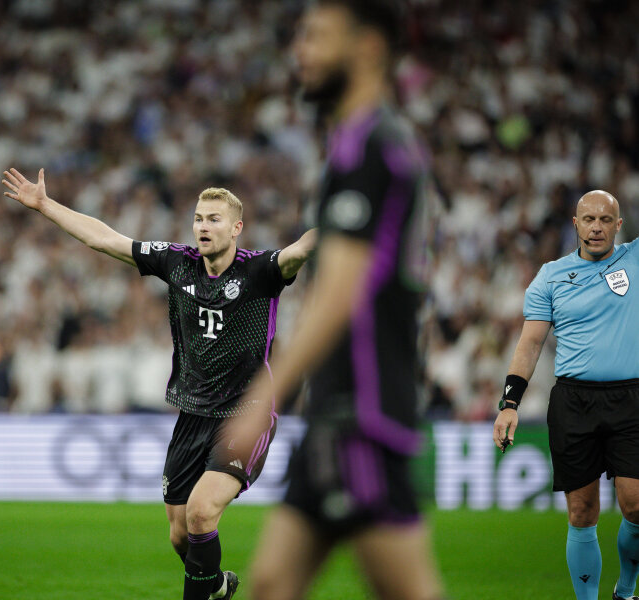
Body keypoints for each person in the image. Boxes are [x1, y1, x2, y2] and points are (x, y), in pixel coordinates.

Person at [2, 169, 316, 599]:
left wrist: (348, 218)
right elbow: (105, 239)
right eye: (199, 218)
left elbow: (300, 249)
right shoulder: (177, 261)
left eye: (214, 219)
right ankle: (218, 585)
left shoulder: (261, 271)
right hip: (193, 414)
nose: (203, 227)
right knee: (180, 535)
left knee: (202, 515)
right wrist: (44, 205)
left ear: (236, 228)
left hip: (246, 416)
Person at [226, 2, 445, 599]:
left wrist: (265, 395)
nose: (301, 50)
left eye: (318, 36)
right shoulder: (358, 143)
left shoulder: (371, 146)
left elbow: (340, 294)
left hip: (362, 409)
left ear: (369, 48)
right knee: (271, 585)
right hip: (339, 406)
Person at [494, 190, 639, 600]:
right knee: (581, 512)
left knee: (637, 507)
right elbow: (530, 345)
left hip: (632, 400)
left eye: (605, 220)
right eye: (588, 219)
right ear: (574, 224)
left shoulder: (635, 258)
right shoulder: (551, 276)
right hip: (574, 402)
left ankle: (626, 590)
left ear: (619, 225)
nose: (596, 227)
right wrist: (509, 405)